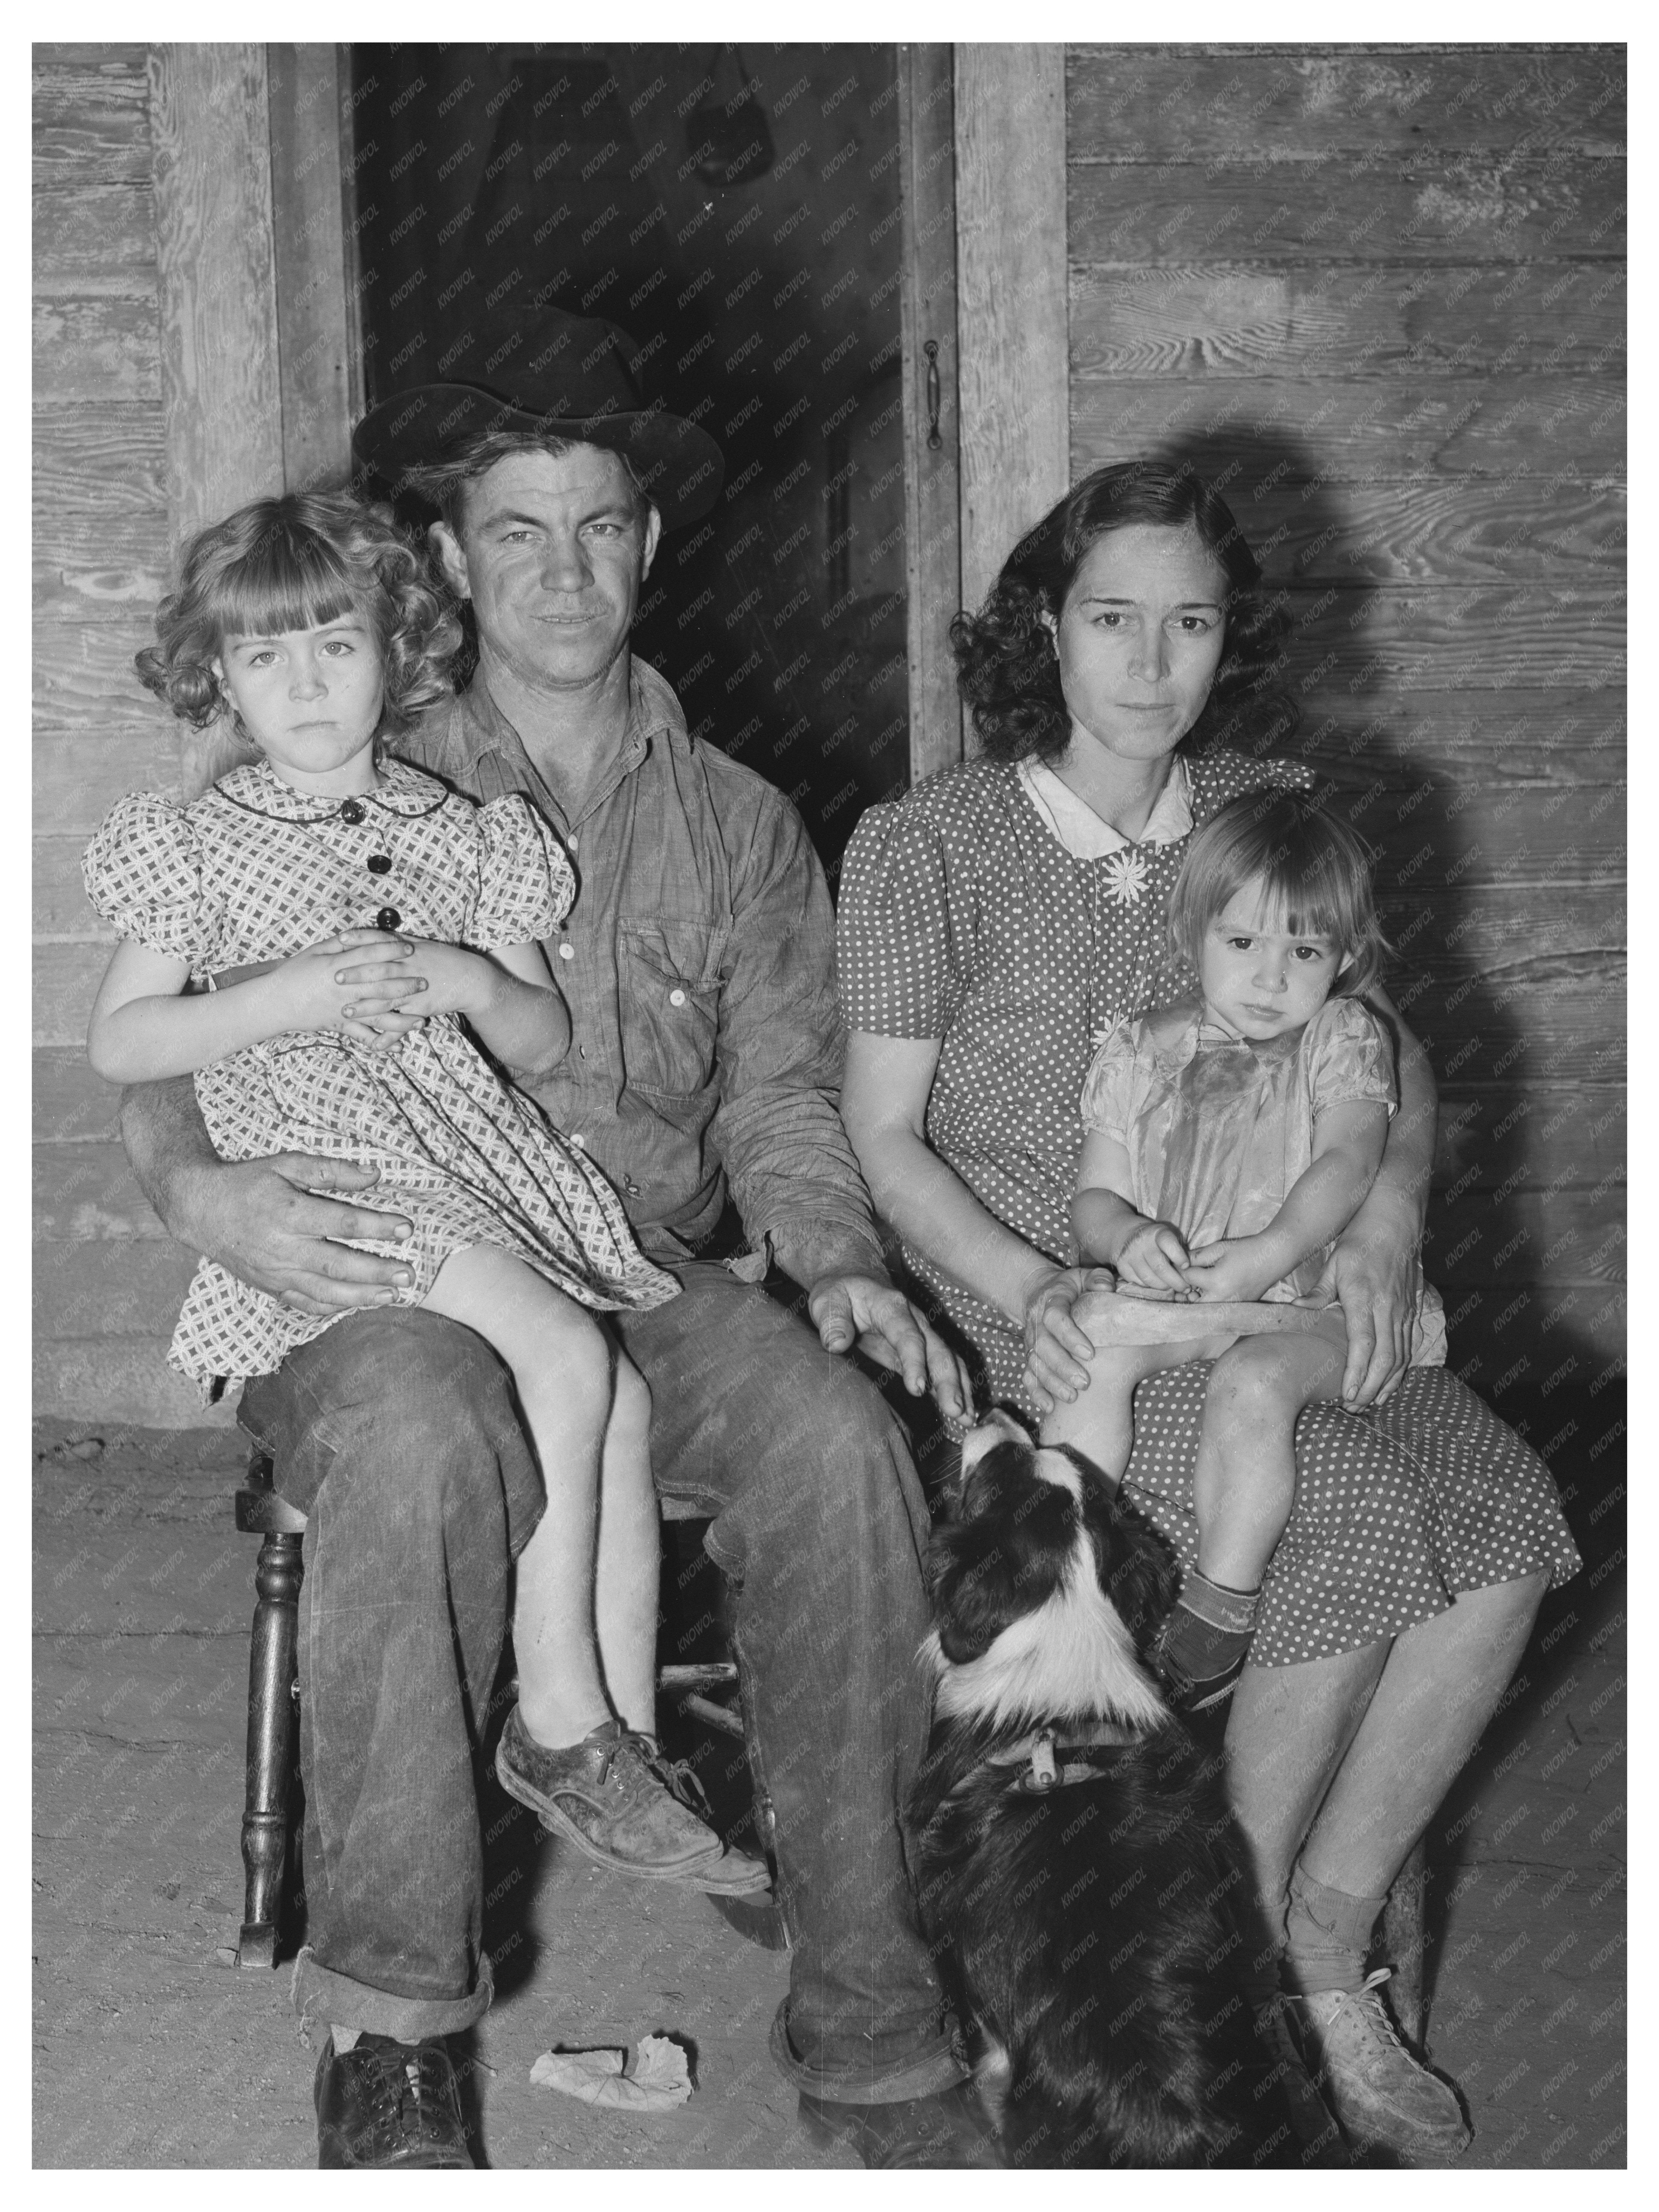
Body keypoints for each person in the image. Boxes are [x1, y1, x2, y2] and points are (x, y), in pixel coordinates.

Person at [116, 314, 994, 2171]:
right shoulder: (330, 751)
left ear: (648, 543)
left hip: (636, 1260)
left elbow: (780, 1095)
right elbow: (168, 1047)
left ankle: (871, 2006)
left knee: (834, 1444)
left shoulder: (740, 822)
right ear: (446, 558)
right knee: (422, 1434)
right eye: (518, 531)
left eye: (600, 527)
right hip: (371, 1250)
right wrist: (204, 1197)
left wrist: (837, 1258)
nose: (565, 570)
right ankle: (395, 2031)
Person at [837, 460, 1581, 2164]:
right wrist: (1040, 1284)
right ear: (1045, 628)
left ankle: (1322, 1941)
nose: (1149, 661)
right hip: (1048, 1313)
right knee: (1345, 1521)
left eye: (1190, 621)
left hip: (1283, 1280)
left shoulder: (1268, 803)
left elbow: (1381, 1058)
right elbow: (882, 1137)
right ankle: (1201, 1958)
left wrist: (1386, 1222)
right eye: (1112, 617)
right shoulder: (925, 844)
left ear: (1229, 637)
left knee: (1503, 1524)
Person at [85, 490, 748, 1917]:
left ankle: (619, 1737)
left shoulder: (463, 829)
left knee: (620, 1394)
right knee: (565, 1353)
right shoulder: (195, 842)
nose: (307, 684)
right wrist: (285, 995)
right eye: (267, 656)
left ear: (397, 648)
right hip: (333, 1167)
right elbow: (124, 1041)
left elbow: (543, 1037)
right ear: (219, 677)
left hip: (470, 1158)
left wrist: (468, 981)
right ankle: (557, 1718)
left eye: (337, 644)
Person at [1053, 790, 1451, 1711]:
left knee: (1253, 1382)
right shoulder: (1140, 1050)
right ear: (1191, 933)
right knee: (1088, 1349)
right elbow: (1093, 1198)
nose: (1269, 978)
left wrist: (1269, 1251)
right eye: (1241, 942)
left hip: (1310, 1300)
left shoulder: (1343, 1039)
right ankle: (1067, 1562)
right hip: (1200, 1293)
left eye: (1303, 952)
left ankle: (1216, 1611)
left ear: (1342, 958)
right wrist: (1127, 1236)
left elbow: (1349, 1165)